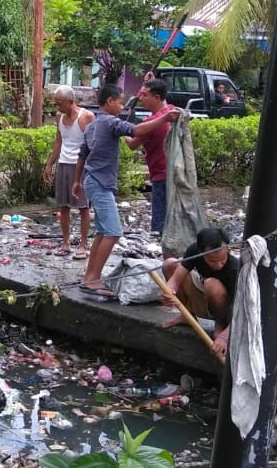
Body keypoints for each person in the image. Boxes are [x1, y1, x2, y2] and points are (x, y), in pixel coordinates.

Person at [72, 84, 180, 300]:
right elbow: (135, 131)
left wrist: (77, 181)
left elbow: (82, 154)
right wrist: (164, 119)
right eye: (120, 102)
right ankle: (93, 279)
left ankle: (89, 277)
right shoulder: (110, 121)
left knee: (103, 232)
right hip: (101, 182)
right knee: (113, 232)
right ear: (110, 102)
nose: (122, 106)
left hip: (91, 180)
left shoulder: (94, 124)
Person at [161, 227, 239, 358]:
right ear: (201, 251)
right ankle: (187, 315)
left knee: (211, 284)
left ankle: (220, 324)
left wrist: (225, 337)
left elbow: (241, 311)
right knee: (169, 264)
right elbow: (175, 280)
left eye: (222, 260)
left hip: (226, 309)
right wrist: (168, 293)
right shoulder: (194, 251)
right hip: (202, 296)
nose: (219, 265)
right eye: (212, 261)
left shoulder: (234, 268)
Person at [42, 85, 93, 260]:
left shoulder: (86, 116)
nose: (58, 107)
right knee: (63, 206)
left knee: (83, 207)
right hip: (64, 163)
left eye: (60, 104)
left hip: (80, 165)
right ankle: (66, 242)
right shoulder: (59, 117)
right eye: (56, 104)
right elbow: (59, 142)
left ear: (71, 102)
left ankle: (84, 244)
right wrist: (49, 164)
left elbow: (92, 145)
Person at [123, 79, 177, 243]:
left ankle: (164, 249)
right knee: (172, 215)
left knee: (160, 219)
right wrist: (148, 82)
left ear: (156, 97)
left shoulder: (149, 124)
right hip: (174, 172)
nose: (141, 98)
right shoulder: (171, 111)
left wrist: (123, 128)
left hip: (160, 174)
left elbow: (132, 145)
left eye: (145, 95)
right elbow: (164, 101)